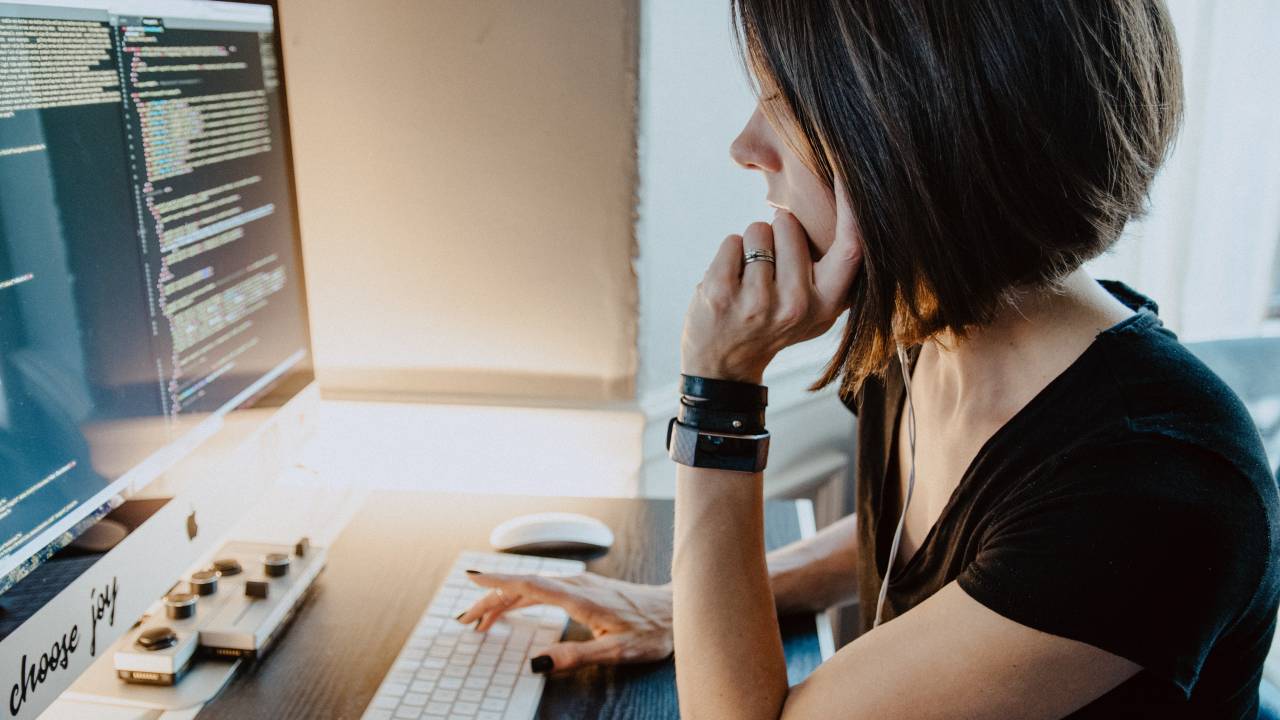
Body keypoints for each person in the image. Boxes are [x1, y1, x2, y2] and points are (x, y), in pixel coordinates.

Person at [459, 1, 1280, 717]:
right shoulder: (927, 333)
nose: (747, 145)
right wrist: (678, 609)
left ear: (922, 136)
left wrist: (719, 389)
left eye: (786, 106)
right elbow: (985, 550)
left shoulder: (1155, 486)